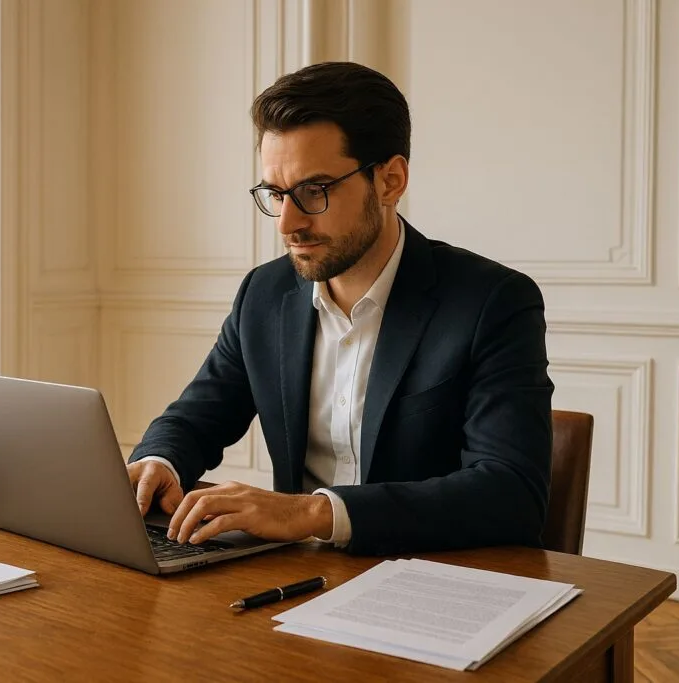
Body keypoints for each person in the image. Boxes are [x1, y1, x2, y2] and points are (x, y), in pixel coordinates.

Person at [125, 61, 553, 556]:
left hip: (433, 578)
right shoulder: (263, 295)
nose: (288, 223)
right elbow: (197, 416)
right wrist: (161, 460)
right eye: (275, 193)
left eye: (314, 191)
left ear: (390, 181)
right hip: (295, 578)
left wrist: (310, 512)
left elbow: (511, 493)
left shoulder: (491, 301)